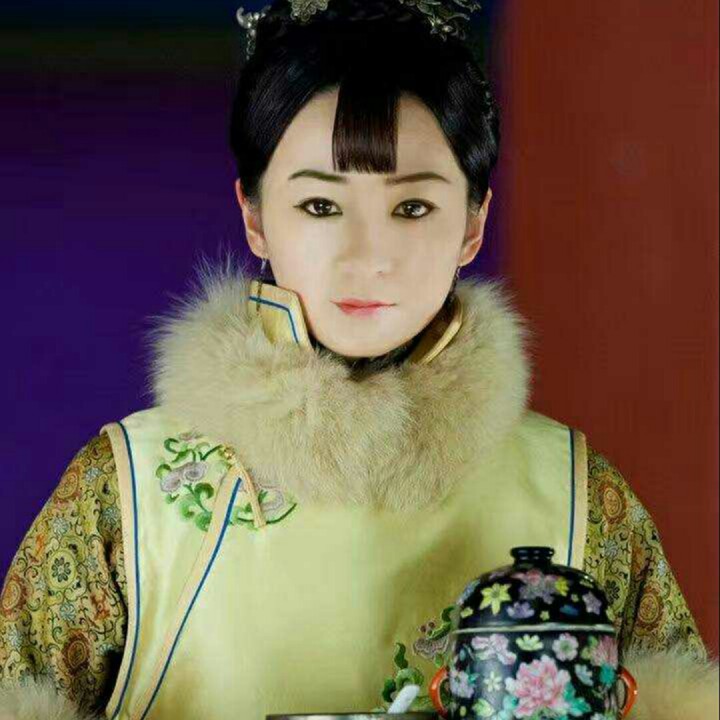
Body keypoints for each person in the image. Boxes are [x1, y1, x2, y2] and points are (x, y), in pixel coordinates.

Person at [1, 1, 717, 718]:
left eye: (412, 208)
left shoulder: (576, 496)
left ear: (473, 225)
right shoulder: (130, 494)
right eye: (320, 206)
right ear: (254, 216)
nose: (366, 256)